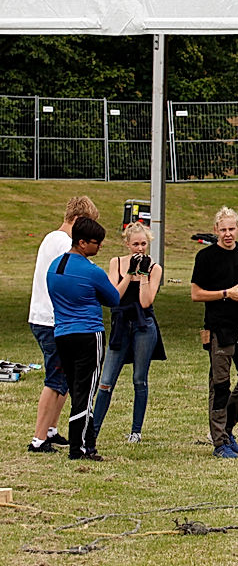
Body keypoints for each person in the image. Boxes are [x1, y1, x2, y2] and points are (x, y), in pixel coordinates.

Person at [28, 195, 98, 454]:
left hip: (45, 317)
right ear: (77, 220)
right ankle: (38, 439)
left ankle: (51, 429)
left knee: (65, 378)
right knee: (55, 379)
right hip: (52, 320)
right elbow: (76, 274)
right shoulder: (64, 244)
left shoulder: (50, 238)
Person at [47, 217, 121, 460]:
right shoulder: (92, 271)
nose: (99, 246)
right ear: (82, 242)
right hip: (89, 334)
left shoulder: (55, 266)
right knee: (86, 394)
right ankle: (80, 448)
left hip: (62, 334)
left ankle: (83, 443)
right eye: (96, 242)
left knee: (76, 389)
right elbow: (113, 299)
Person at [191, 206, 238, 459]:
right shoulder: (206, 257)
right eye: (223, 230)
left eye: (232, 229)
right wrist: (225, 294)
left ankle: (228, 428)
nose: (228, 234)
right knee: (220, 385)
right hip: (219, 329)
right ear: (216, 230)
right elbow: (196, 294)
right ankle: (219, 441)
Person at [91, 223, 166, 444]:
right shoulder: (116, 263)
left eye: (143, 244)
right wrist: (129, 273)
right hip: (121, 325)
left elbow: (145, 302)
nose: (140, 248)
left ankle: (136, 431)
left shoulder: (155, 268)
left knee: (139, 379)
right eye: (135, 244)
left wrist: (142, 275)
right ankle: (93, 431)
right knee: (106, 381)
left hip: (144, 326)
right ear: (127, 244)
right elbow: (114, 296)